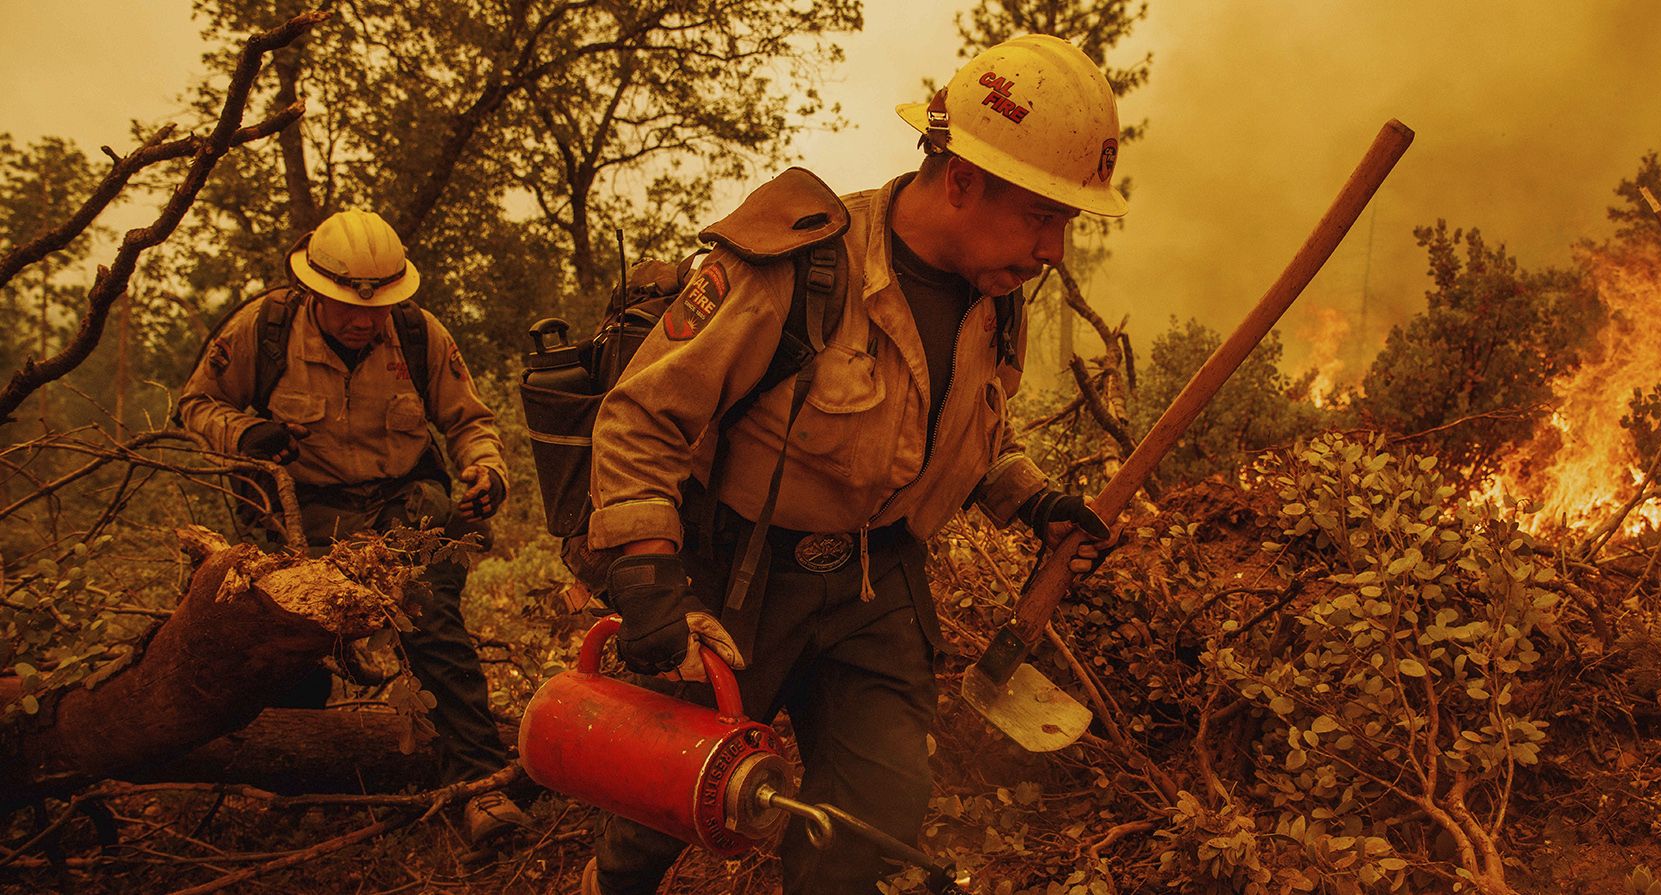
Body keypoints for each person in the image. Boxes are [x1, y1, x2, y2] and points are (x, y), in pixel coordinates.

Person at [577, 34, 1126, 894]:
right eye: (1040, 215)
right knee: (663, 802)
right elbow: (643, 413)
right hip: (742, 579)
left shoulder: (999, 301)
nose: (1054, 247)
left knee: (874, 818)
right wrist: (648, 573)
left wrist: (1034, 502)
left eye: (1067, 221)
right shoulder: (794, 268)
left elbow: (964, 430)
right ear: (962, 180)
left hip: (879, 586)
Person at [178, 209, 533, 847]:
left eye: (377, 306)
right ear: (314, 289)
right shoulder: (262, 329)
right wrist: (245, 432)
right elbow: (196, 404)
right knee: (293, 645)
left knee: (430, 622)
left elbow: (469, 421)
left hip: (403, 505)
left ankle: (480, 786)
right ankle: (296, 790)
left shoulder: (421, 336)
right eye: (348, 305)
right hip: (302, 511)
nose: (363, 319)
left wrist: (487, 470)